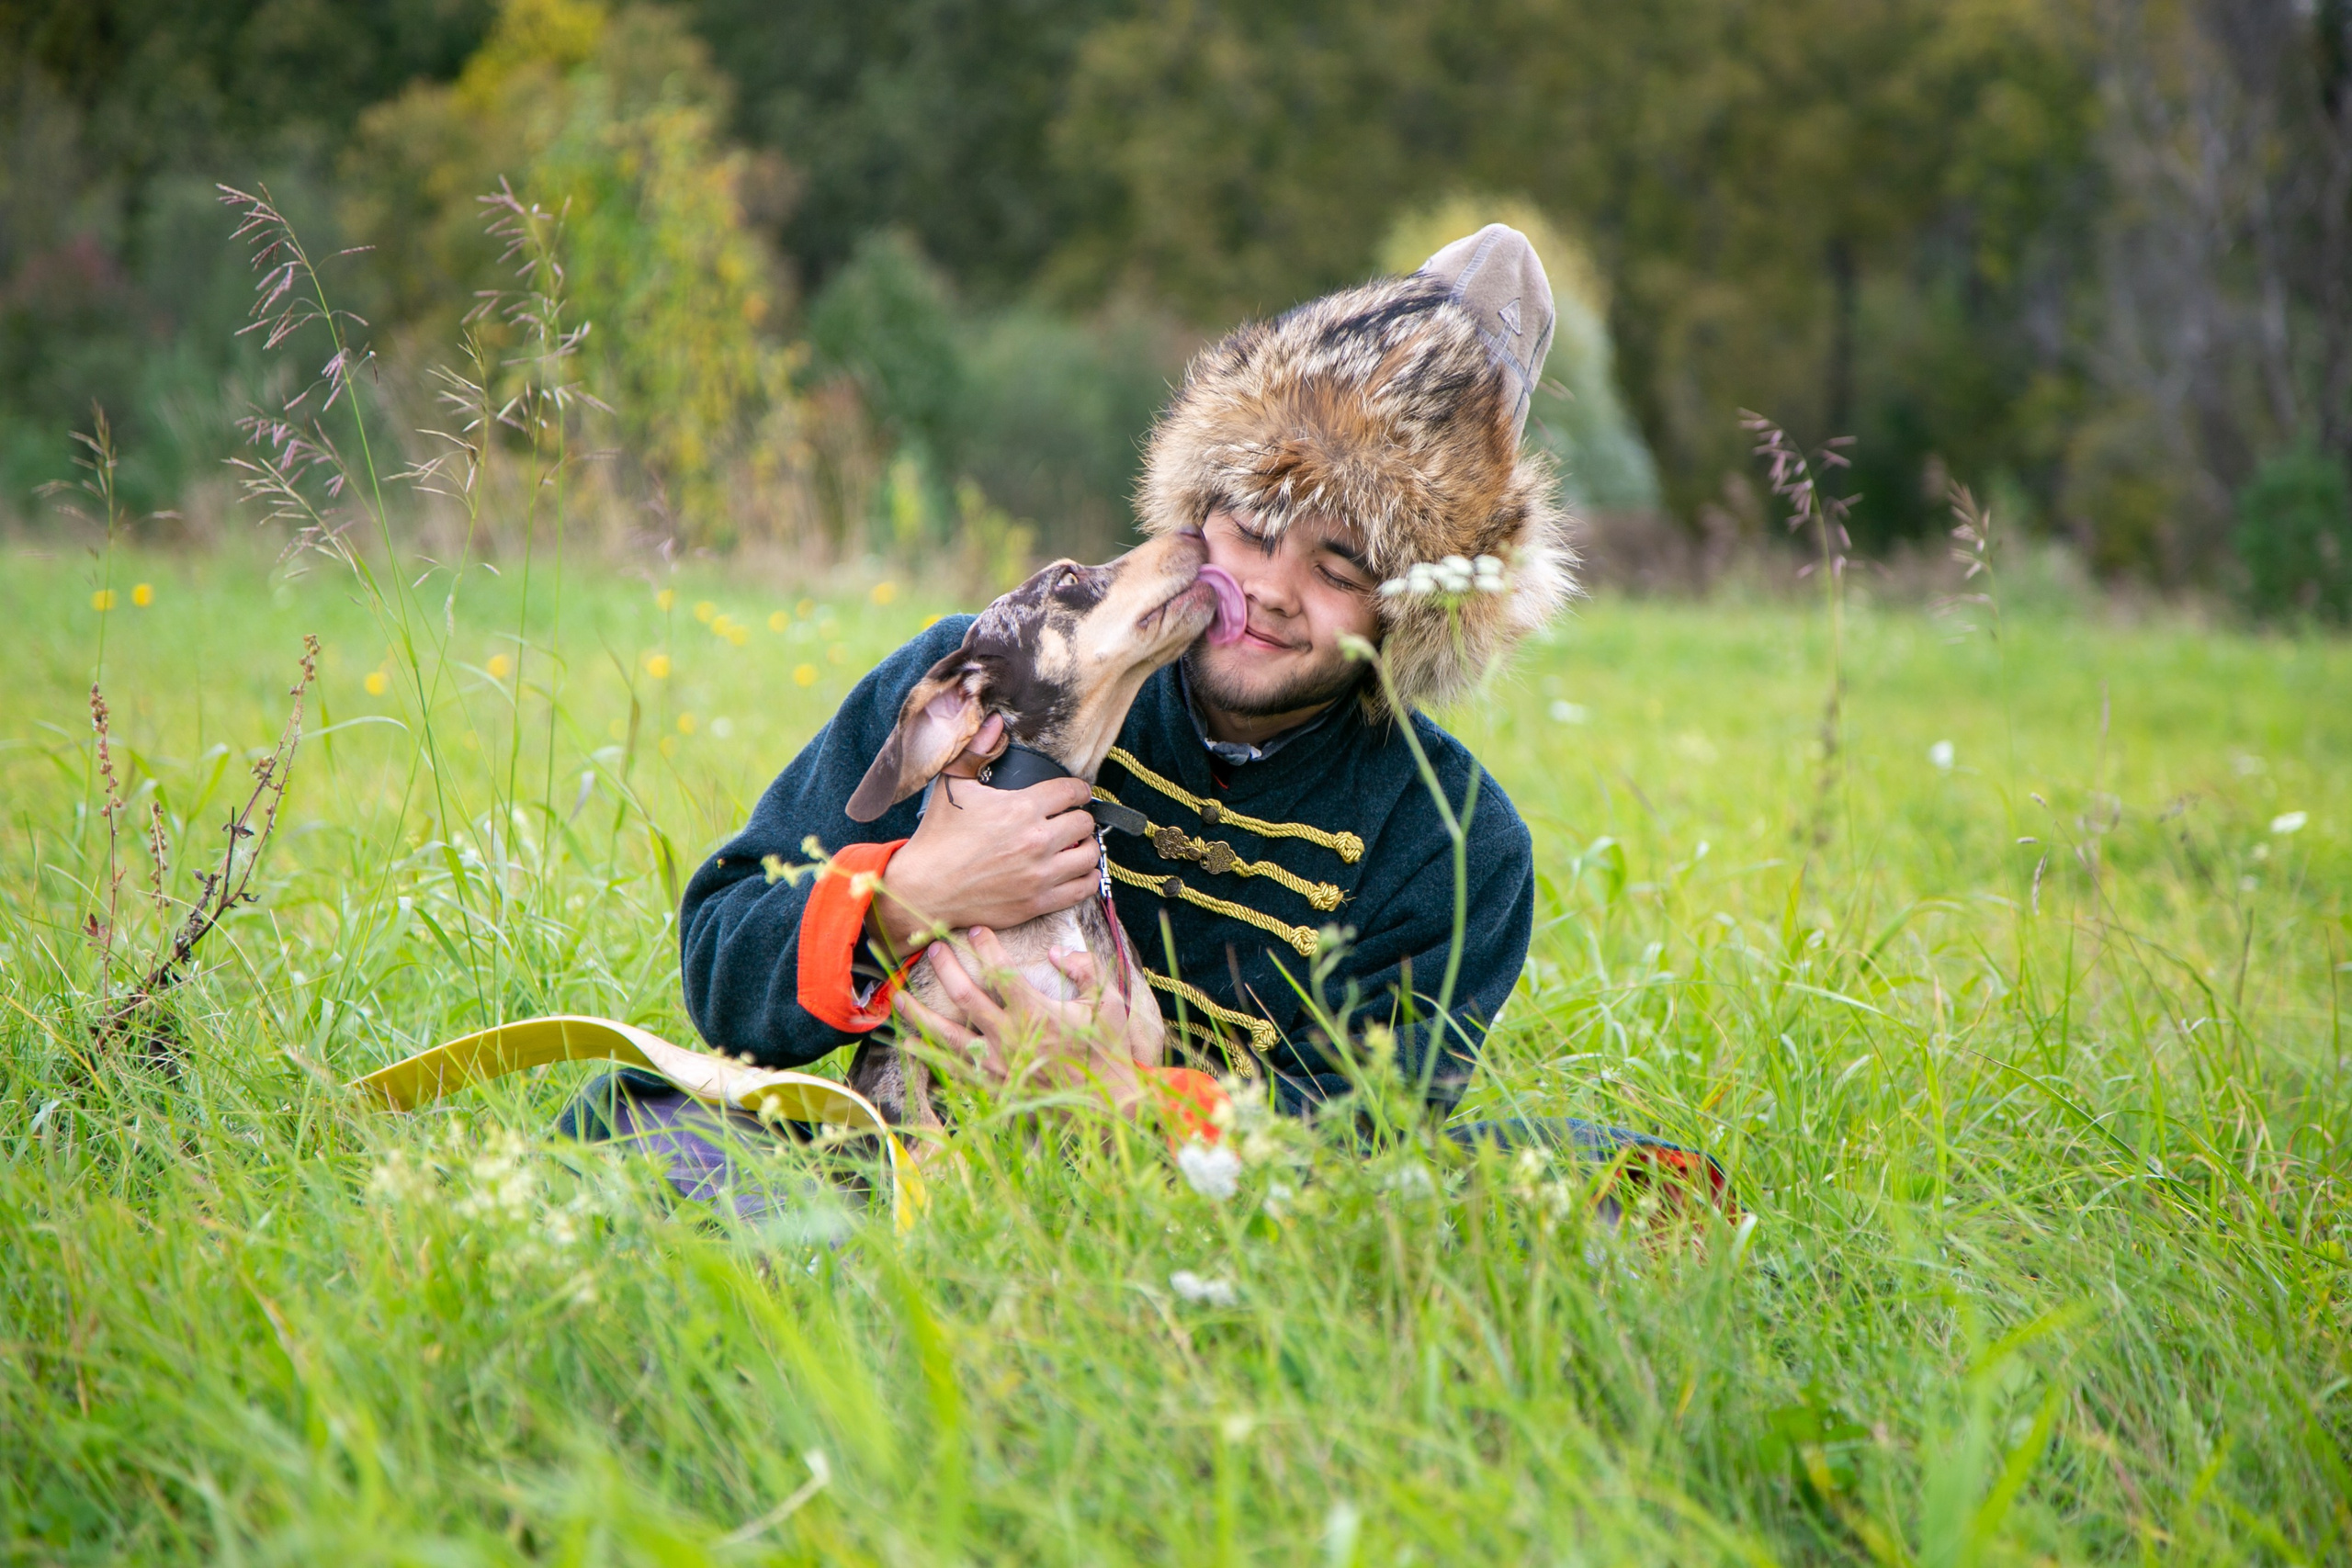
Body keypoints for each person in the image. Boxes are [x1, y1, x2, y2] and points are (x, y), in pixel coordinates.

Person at [671, 224, 1570, 1143]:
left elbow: (1363, 1144)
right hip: (899, 1169)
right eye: (1251, 528)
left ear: (1412, 614)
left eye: (1339, 571)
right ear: (1198, 511)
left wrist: (1127, 1097)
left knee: (1571, 1175)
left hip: (1185, 1251)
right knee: (653, 1127)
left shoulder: (1456, 844)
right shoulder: (995, 674)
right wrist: (905, 901)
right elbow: (721, 961)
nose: (1268, 589)